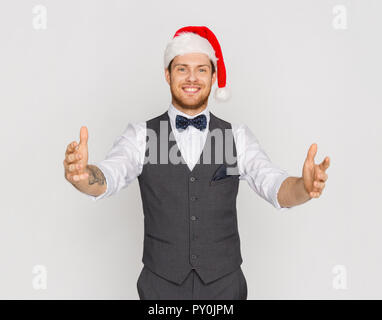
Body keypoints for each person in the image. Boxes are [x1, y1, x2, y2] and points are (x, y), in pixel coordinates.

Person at [63, 26, 330, 300]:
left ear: (213, 76)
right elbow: (108, 176)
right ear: (167, 75)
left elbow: (274, 185)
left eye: (202, 69)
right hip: (160, 286)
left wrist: (303, 187)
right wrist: (83, 175)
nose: (192, 77)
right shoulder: (141, 135)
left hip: (225, 286)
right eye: (182, 69)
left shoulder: (237, 137)